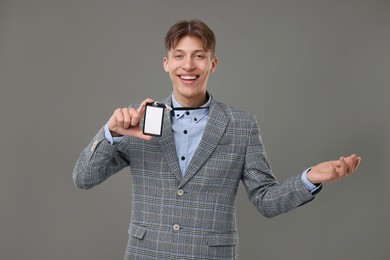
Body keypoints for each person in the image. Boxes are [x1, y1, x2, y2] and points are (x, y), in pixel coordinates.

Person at [73, 19, 361, 260]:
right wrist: (109, 133)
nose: (188, 65)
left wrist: (309, 178)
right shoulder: (139, 121)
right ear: (166, 63)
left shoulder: (241, 125)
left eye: (199, 55)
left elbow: (266, 200)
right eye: (179, 55)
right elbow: (83, 178)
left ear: (213, 63)